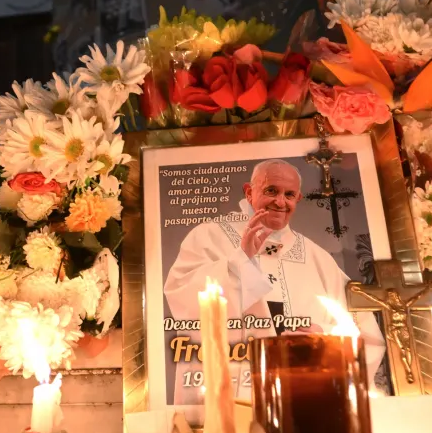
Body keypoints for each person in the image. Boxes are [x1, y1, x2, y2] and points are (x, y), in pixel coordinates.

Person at [164, 159, 385, 406]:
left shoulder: (317, 258)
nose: (280, 202)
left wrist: (325, 339)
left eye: (289, 195)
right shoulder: (210, 236)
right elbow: (182, 295)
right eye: (271, 190)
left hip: (302, 401)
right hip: (230, 396)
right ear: (249, 192)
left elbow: (361, 331)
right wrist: (239, 262)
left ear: (298, 198)